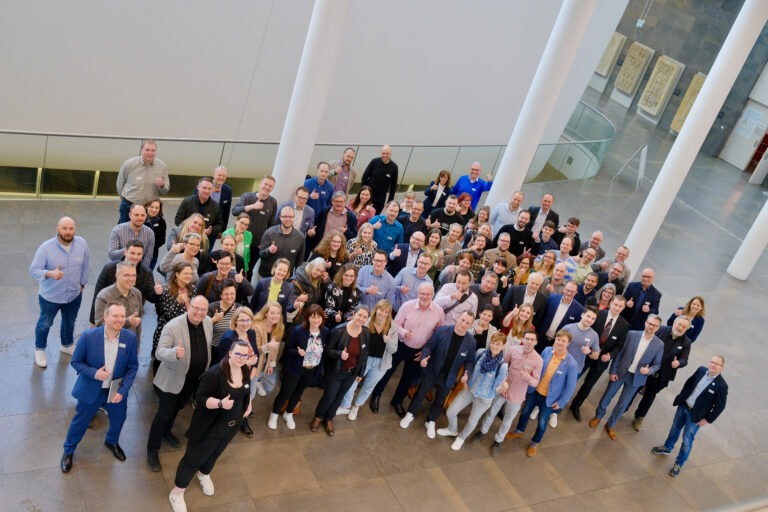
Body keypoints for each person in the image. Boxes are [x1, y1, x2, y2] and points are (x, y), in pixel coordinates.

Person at [168, 340, 253, 512]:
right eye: (238, 354)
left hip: (231, 426)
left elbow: (246, 390)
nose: (241, 358)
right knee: (194, 458)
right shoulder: (215, 374)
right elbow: (199, 398)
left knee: (215, 453)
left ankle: (204, 474)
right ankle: (177, 492)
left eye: (245, 355)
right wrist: (220, 404)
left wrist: (248, 404)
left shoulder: (244, 369)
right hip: (209, 427)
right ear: (230, 353)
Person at [60, 304, 139, 473]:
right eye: (115, 316)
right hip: (91, 390)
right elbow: (75, 362)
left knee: (119, 419)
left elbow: (132, 367)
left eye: (122, 316)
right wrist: (94, 373)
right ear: (105, 317)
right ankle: (69, 451)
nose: (119, 319)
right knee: (80, 422)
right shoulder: (88, 336)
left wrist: (122, 391)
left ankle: (111, 441)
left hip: (115, 391)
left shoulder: (130, 338)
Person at [147, 295, 213, 472]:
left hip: (193, 380)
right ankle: (152, 449)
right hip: (172, 380)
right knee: (163, 415)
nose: (199, 313)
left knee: (177, 409)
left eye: (203, 309)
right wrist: (175, 353)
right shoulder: (173, 326)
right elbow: (159, 352)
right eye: (196, 308)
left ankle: (167, 432)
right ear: (188, 306)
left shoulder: (207, 322)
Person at [399, 311, 477, 439]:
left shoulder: (471, 342)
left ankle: (430, 421)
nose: (463, 324)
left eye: (467, 322)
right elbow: (429, 347)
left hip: (449, 377)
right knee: (420, 394)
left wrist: (467, 373)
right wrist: (424, 358)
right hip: (432, 371)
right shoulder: (442, 331)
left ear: (471, 325)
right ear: (458, 318)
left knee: (440, 401)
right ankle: (410, 414)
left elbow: (469, 360)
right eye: (462, 320)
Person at [372, 283, 445, 417]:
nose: (425, 296)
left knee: (407, 379)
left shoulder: (439, 311)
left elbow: (438, 333)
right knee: (387, 372)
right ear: (418, 293)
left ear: (432, 295)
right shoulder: (407, 306)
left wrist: (426, 352)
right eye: (422, 293)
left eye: (428, 294)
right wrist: (404, 332)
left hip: (419, 351)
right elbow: (396, 324)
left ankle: (397, 401)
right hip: (401, 345)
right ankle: (376, 395)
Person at [651, 355, 728, 477]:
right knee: (674, 429)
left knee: (687, 440)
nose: (713, 365)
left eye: (717, 364)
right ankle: (667, 447)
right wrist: (682, 397)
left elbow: (720, 406)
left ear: (721, 368)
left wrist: (708, 419)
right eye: (711, 362)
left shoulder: (722, 386)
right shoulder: (701, 370)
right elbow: (689, 383)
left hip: (695, 417)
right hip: (683, 406)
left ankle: (679, 463)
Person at [588, 315, 663, 440]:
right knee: (607, 396)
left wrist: (649, 370)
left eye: (654, 325)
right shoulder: (632, 334)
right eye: (649, 323)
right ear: (645, 323)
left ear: (658, 328)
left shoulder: (659, 345)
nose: (651, 326)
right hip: (620, 372)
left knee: (623, 403)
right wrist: (613, 370)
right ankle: (598, 416)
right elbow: (619, 354)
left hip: (636, 378)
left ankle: (611, 424)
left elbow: (658, 364)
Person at [29, 216, 90, 368]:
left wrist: (82, 284)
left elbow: (85, 265)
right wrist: (49, 274)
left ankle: (67, 344)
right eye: (64, 228)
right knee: (45, 323)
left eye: (71, 228)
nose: (68, 232)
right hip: (51, 296)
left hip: (74, 295)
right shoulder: (46, 248)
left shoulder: (82, 244)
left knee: (69, 321)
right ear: (58, 229)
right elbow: (33, 271)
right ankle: (40, 349)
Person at [508, 329, 577, 457]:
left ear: (568, 343)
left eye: (563, 341)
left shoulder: (571, 364)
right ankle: (519, 430)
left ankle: (535, 443)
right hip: (535, 391)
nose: (560, 343)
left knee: (542, 422)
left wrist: (561, 402)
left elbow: (570, 387)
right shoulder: (547, 351)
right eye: (558, 339)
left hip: (550, 398)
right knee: (525, 412)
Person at [474, 329, 542, 456]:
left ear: (536, 342)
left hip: (517, 396)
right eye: (527, 338)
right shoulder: (513, 350)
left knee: (507, 420)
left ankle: (498, 441)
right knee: (491, 413)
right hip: (503, 390)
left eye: (532, 339)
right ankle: (482, 432)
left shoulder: (538, 360)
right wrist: (503, 382)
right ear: (523, 339)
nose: (529, 341)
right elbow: (503, 366)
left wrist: (527, 377)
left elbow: (535, 383)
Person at [439, 332, 509, 450]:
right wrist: (465, 380)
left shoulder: (503, 366)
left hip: (484, 398)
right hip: (468, 390)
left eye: (498, 344)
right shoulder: (481, 353)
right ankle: (452, 430)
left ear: (503, 346)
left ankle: (461, 438)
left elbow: (496, 389)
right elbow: (470, 367)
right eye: (493, 343)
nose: (494, 346)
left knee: (472, 421)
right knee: (450, 412)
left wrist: (503, 387)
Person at [311, 306, 370, 436]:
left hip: (352, 373)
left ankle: (329, 419)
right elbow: (327, 351)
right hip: (335, 372)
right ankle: (318, 416)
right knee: (329, 396)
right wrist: (339, 354)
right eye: (359, 315)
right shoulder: (339, 330)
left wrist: (361, 372)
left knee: (339, 397)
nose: (361, 319)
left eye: (365, 317)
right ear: (354, 314)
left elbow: (364, 354)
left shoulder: (365, 332)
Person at [569, 296, 629, 421]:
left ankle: (576, 405)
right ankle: (562, 399)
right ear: (611, 303)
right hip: (585, 353)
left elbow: (619, 346)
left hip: (602, 360)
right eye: (615, 304)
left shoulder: (624, 324)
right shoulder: (599, 314)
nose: (617, 308)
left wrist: (610, 355)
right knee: (574, 377)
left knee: (589, 384)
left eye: (620, 306)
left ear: (623, 308)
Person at [270, 305, 329, 430]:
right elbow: (288, 349)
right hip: (295, 368)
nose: (316, 320)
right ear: (307, 318)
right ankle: (274, 413)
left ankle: (289, 413)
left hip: (311, 369)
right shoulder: (298, 331)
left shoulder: (325, 332)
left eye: (318, 317)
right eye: (313, 317)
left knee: (298, 392)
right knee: (285, 392)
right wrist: (298, 353)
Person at [337, 299, 398, 419]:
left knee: (368, 387)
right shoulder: (367, 323)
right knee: (351, 385)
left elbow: (394, 350)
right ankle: (345, 406)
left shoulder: (392, 326)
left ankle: (356, 407)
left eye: (387, 312)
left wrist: (388, 341)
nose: (383, 314)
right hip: (364, 360)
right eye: (381, 310)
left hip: (381, 363)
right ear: (376, 310)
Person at [630, 316, 692, 431]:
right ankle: (624, 409)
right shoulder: (661, 330)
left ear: (687, 329)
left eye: (684, 327)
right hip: (647, 368)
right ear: (674, 323)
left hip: (662, 376)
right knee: (633, 389)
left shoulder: (686, 342)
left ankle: (639, 417)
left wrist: (678, 363)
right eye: (679, 324)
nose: (680, 328)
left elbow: (685, 360)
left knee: (649, 396)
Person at [214, 307, 258, 436]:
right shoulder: (228, 338)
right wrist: (246, 363)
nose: (245, 323)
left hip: (248, 375)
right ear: (236, 321)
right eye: (242, 320)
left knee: (246, 398)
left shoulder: (251, 333)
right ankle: (225, 424)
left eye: (248, 320)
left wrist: (254, 369)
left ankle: (243, 422)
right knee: (233, 401)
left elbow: (256, 353)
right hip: (231, 377)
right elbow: (223, 364)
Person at [90, 240, 156, 325]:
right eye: (132, 253)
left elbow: (151, 297)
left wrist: (157, 293)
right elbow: (97, 296)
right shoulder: (109, 269)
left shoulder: (147, 273)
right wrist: (92, 322)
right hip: (110, 320)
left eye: (139, 254)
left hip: (132, 322)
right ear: (125, 252)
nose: (135, 257)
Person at [152, 263, 195, 374]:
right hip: (167, 330)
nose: (189, 276)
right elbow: (167, 315)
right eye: (186, 273)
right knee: (163, 360)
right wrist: (177, 302)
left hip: (185, 329)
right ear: (177, 274)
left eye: (190, 273)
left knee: (179, 359)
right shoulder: (166, 289)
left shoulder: (193, 289)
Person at [232, 175, 278, 279]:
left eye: (270, 186)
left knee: (248, 269)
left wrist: (264, 242)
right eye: (265, 184)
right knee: (234, 266)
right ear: (260, 184)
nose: (267, 187)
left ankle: (243, 293)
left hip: (256, 244)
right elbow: (234, 211)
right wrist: (252, 206)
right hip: (240, 240)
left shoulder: (273, 202)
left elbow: (271, 225)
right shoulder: (247, 197)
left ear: (272, 188)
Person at [116, 140, 169, 223]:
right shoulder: (129, 164)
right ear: (141, 150)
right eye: (147, 150)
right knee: (124, 231)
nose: (150, 153)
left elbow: (165, 190)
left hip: (150, 209)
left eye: (153, 150)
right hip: (129, 205)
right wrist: (123, 200)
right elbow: (120, 184)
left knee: (147, 234)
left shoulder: (162, 166)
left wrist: (162, 185)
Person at [93, 261, 143, 343]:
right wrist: (127, 322)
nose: (131, 279)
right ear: (117, 276)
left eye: (134, 275)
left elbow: (138, 323)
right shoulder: (104, 297)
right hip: (110, 343)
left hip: (130, 343)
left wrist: (137, 343)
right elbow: (99, 326)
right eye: (126, 275)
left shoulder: (137, 293)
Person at [258, 205, 306, 278]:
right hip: (267, 276)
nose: (287, 219)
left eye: (290, 217)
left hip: (286, 278)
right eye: (285, 216)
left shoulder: (300, 237)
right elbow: (261, 254)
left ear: (294, 218)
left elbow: (299, 262)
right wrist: (269, 251)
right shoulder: (269, 233)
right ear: (280, 217)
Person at [250, 258, 303, 324]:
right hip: (260, 319)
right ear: (274, 268)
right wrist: (250, 318)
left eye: (284, 271)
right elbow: (253, 302)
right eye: (280, 269)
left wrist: (294, 306)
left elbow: (288, 308)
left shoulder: (289, 287)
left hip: (277, 321)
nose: (282, 273)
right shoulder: (262, 282)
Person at [536, 280, 584, 352]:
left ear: (576, 292)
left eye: (572, 291)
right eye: (567, 290)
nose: (569, 293)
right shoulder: (551, 298)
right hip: (540, 337)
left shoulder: (579, 309)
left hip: (557, 344)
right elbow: (541, 316)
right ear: (564, 289)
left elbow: (573, 330)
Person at [175, 177, 224, 246]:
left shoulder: (216, 206)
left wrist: (211, 231)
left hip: (204, 242)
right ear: (198, 187)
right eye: (204, 188)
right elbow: (178, 220)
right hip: (186, 241)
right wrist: (192, 228)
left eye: (209, 189)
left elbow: (219, 224)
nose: (207, 191)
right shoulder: (187, 201)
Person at [250, 302, 285, 397]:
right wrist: (268, 346)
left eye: (278, 313)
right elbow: (254, 350)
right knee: (251, 394)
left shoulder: (279, 327)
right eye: (272, 313)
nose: (276, 316)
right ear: (265, 313)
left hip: (266, 360)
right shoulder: (256, 327)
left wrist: (271, 364)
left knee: (266, 386)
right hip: (254, 362)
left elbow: (275, 348)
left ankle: (257, 381)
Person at [309, 191, 357, 255]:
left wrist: (346, 231)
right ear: (332, 202)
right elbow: (316, 227)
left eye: (341, 202)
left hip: (338, 251)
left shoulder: (351, 216)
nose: (339, 204)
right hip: (321, 247)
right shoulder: (324, 211)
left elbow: (354, 237)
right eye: (336, 201)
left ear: (345, 202)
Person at [108, 203, 154, 268]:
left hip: (138, 271)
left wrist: (141, 273)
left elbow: (148, 257)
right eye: (136, 215)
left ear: (146, 216)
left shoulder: (150, 233)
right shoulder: (117, 230)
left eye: (142, 215)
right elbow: (112, 255)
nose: (140, 218)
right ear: (130, 215)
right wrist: (127, 249)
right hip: (118, 269)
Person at [361, 145, 399, 213]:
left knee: (375, 217)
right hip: (369, 195)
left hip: (380, 199)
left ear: (390, 154)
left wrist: (389, 201)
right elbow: (364, 177)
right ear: (381, 153)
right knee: (364, 214)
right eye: (383, 153)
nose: (385, 155)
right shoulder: (374, 162)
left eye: (387, 154)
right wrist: (363, 192)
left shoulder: (394, 167)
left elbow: (393, 186)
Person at [324, 263, 362, 329]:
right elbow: (328, 308)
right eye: (346, 275)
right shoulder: (333, 287)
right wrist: (335, 315)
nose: (348, 278)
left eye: (351, 276)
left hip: (346, 326)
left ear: (355, 277)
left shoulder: (357, 292)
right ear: (342, 275)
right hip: (330, 323)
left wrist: (347, 317)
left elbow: (353, 309)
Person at [207, 280, 241, 351]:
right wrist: (213, 320)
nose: (229, 297)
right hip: (216, 349)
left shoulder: (239, 309)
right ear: (221, 295)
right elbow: (202, 327)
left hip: (235, 349)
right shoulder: (212, 308)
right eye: (226, 294)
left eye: (232, 294)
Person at [144, 199, 166, 270]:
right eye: (151, 207)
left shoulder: (161, 221)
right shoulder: (140, 218)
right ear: (146, 206)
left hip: (152, 254)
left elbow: (162, 240)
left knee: (147, 275)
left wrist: (150, 246)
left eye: (157, 208)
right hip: (137, 253)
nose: (154, 210)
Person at [209, 165, 233, 232]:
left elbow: (226, 212)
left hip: (215, 228)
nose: (222, 177)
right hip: (199, 225)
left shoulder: (228, 190)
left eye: (224, 176)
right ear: (214, 175)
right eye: (219, 175)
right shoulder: (204, 185)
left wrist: (222, 230)